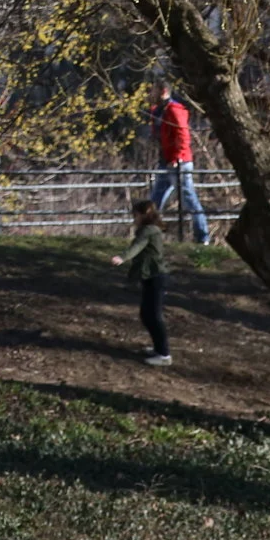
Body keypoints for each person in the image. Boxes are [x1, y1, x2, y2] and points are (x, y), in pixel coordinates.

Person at [147, 85, 210, 246]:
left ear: (163, 91)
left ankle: (202, 237)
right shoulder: (158, 111)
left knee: (189, 198)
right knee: (155, 200)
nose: (149, 93)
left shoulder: (174, 110)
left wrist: (177, 158)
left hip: (177, 163)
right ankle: (148, 235)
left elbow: (182, 135)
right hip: (166, 161)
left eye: (152, 90)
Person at [110, 199, 170, 365]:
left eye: (135, 215)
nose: (134, 218)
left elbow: (137, 246)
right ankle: (158, 348)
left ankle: (164, 354)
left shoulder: (149, 231)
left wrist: (122, 257)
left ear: (144, 215)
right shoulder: (149, 229)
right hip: (150, 277)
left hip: (157, 277)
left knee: (154, 316)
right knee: (146, 314)